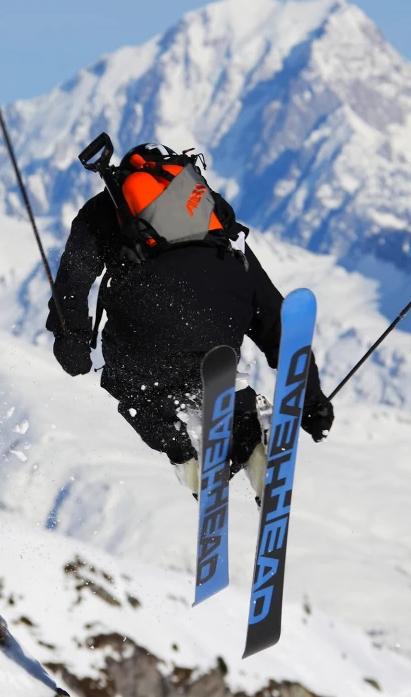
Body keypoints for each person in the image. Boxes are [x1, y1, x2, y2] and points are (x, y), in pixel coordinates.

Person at [45, 141, 334, 495]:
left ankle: (188, 456)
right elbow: (268, 308)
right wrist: (311, 396)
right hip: (224, 314)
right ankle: (250, 434)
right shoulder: (209, 211)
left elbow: (73, 279)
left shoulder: (106, 208)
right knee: (212, 373)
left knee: (139, 390)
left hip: (149, 320)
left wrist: (70, 337)